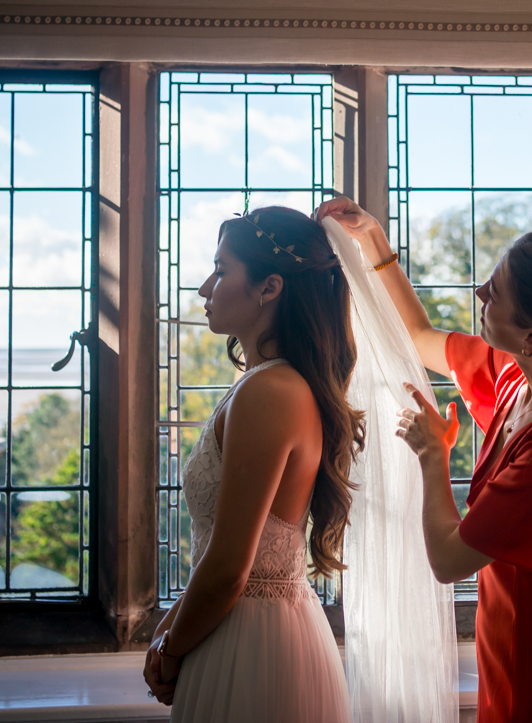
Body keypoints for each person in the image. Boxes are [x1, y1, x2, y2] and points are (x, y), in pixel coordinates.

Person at [318, 196, 532, 723]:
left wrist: (432, 456)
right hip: (514, 654)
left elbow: (448, 561)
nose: (479, 294)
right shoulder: (517, 380)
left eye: (495, 292)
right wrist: (373, 242)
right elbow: (420, 338)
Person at [142, 207, 361, 723]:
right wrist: (166, 631)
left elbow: (229, 567)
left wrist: (170, 653)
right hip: (245, 629)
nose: (204, 288)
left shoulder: (270, 392)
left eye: (220, 270)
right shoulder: (266, 386)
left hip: (251, 644)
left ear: (269, 288)